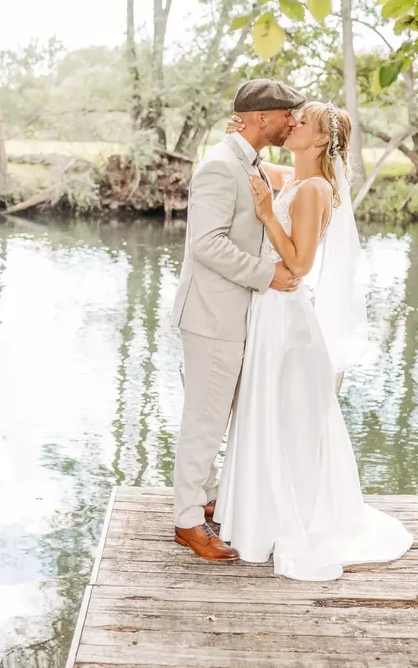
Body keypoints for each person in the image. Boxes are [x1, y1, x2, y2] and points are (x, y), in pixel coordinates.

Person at [212, 101, 413, 580]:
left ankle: (283, 518)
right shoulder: (298, 179)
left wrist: (265, 215)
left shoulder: (316, 189)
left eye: (302, 122)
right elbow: (257, 164)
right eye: (294, 117)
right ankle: (254, 511)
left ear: (321, 140)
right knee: (266, 410)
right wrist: (238, 136)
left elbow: (300, 266)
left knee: (286, 416)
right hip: (269, 312)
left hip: (287, 318)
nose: (292, 123)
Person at [169, 79, 302, 561]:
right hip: (210, 314)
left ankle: (205, 497)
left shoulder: (247, 160)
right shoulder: (220, 167)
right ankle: (187, 521)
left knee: (216, 412)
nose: (293, 120)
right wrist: (267, 275)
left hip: (233, 314)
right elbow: (207, 244)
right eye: (288, 112)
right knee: (204, 420)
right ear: (262, 117)